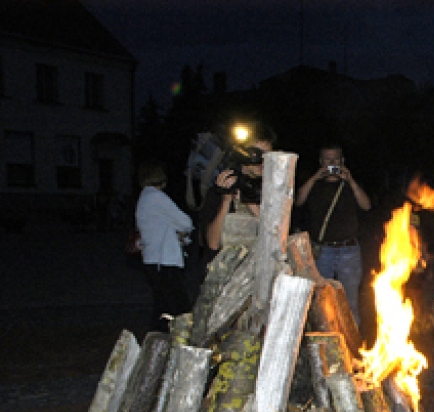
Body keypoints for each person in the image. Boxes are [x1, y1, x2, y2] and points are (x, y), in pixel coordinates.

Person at [295, 143, 372, 326]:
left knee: (350, 302)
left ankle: (353, 341)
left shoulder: (350, 184)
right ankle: (325, 339)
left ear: (342, 161)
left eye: (335, 160)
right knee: (322, 301)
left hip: (349, 250)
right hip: (322, 251)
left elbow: (366, 206)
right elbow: (298, 201)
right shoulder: (314, 184)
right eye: (327, 160)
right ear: (321, 162)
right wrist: (315, 177)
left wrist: (351, 181)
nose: (332, 164)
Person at [194, 123, 277, 260]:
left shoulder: (273, 190)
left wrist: (249, 201)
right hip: (223, 268)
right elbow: (213, 244)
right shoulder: (223, 188)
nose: (262, 161)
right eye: (257, 154)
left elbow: (276, 237)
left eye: (267, 156)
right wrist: (226, 201)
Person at [135, 161, 194, 331]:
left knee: (162, 307)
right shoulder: (156, 197)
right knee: (179, 307)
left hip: (152, 258)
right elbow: (185, 222)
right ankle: (182, 339)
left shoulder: (144, 198)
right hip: (164, 260)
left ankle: (157, 339)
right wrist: (180, 232)